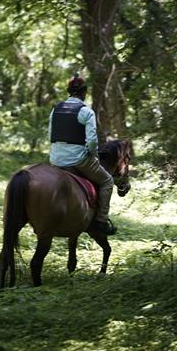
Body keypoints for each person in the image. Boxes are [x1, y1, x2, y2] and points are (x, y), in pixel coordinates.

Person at [48, 73, 117, 235]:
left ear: (68, 91)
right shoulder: (86, 111)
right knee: (107, 181)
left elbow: (50, 135)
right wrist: (94, 156)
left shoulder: (55, 110)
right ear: (84, 92)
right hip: (78, 160)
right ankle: (101, 221)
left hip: (56, 159)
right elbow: (92, 141)